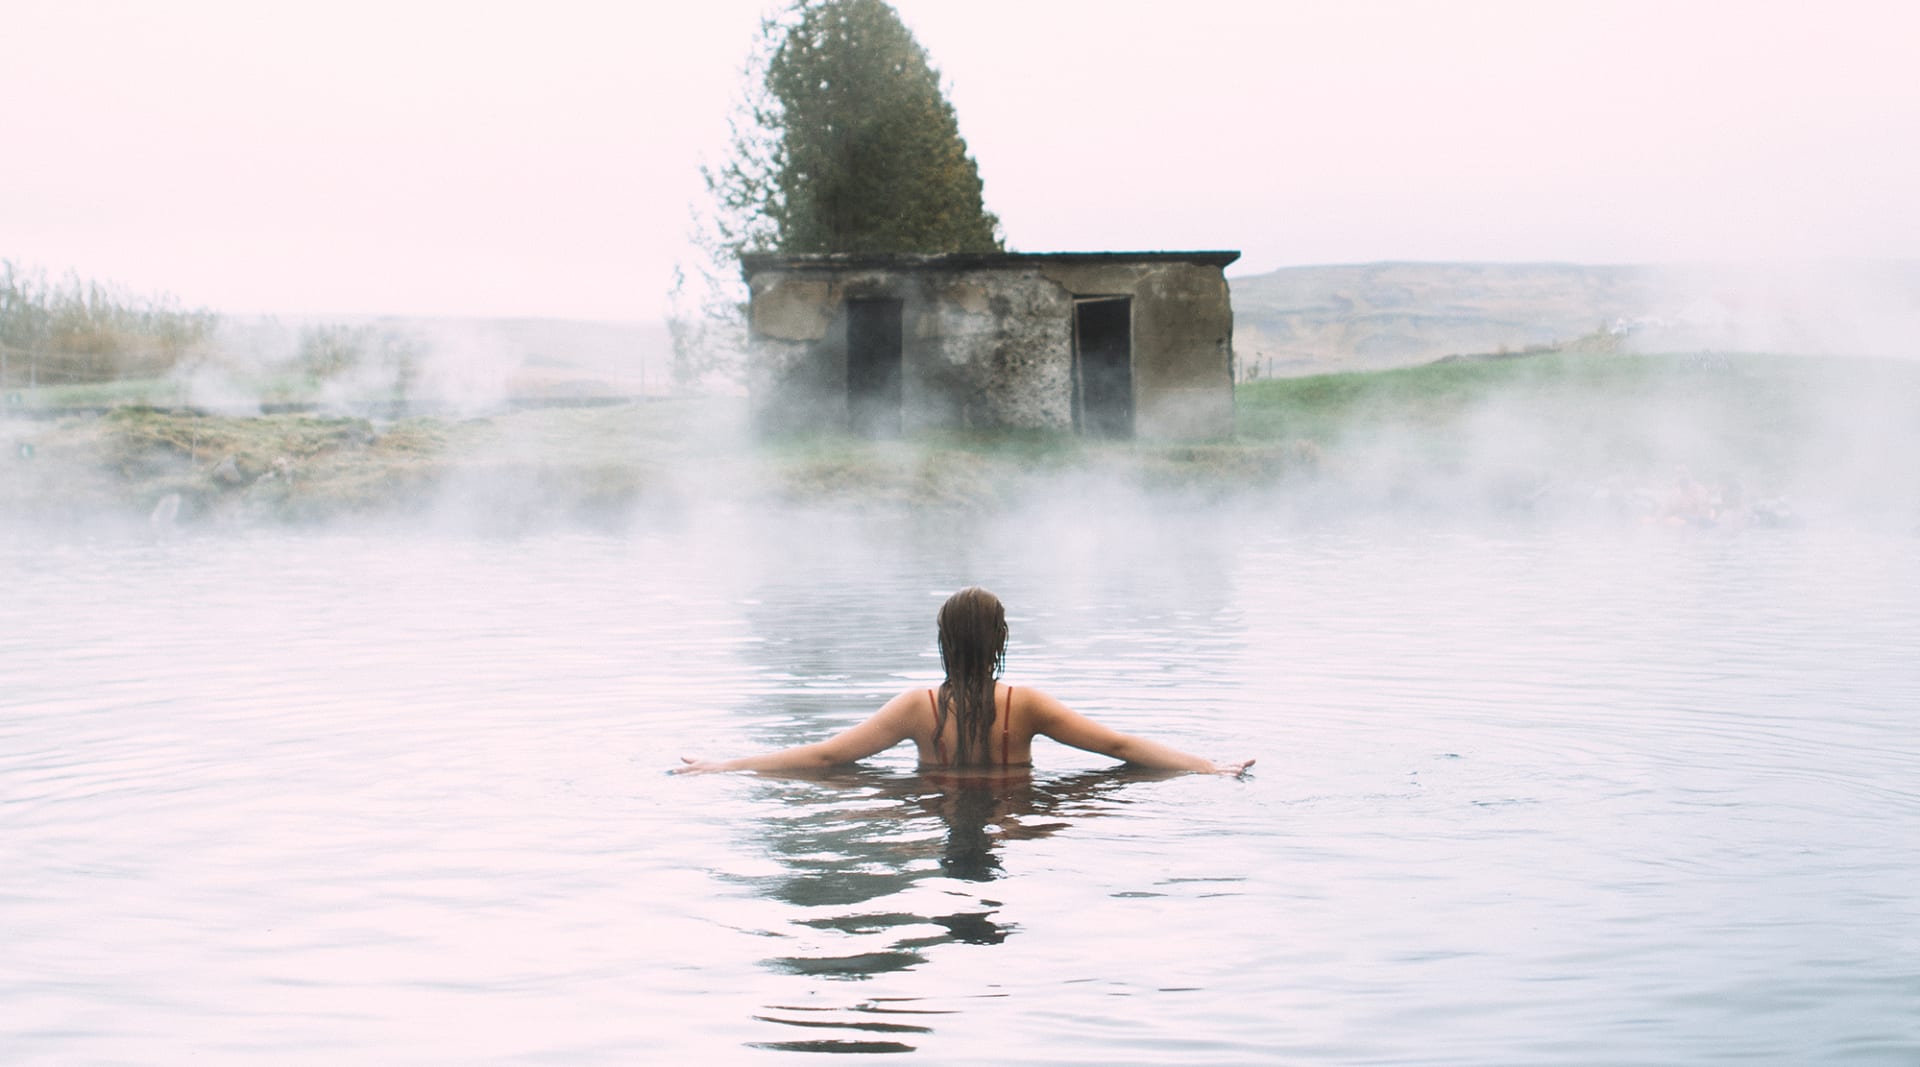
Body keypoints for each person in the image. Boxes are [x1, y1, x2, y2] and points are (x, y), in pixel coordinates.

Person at [673, 587, 1254, 777]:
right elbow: (1120, 749)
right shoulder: (1026, 705)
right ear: (1000, 640)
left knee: (865, 799)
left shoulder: (916, 707)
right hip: (1017, 815)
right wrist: (1211, 768)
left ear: (943, 640)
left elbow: (828, 757)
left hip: (934, 812)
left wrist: (724, 768)